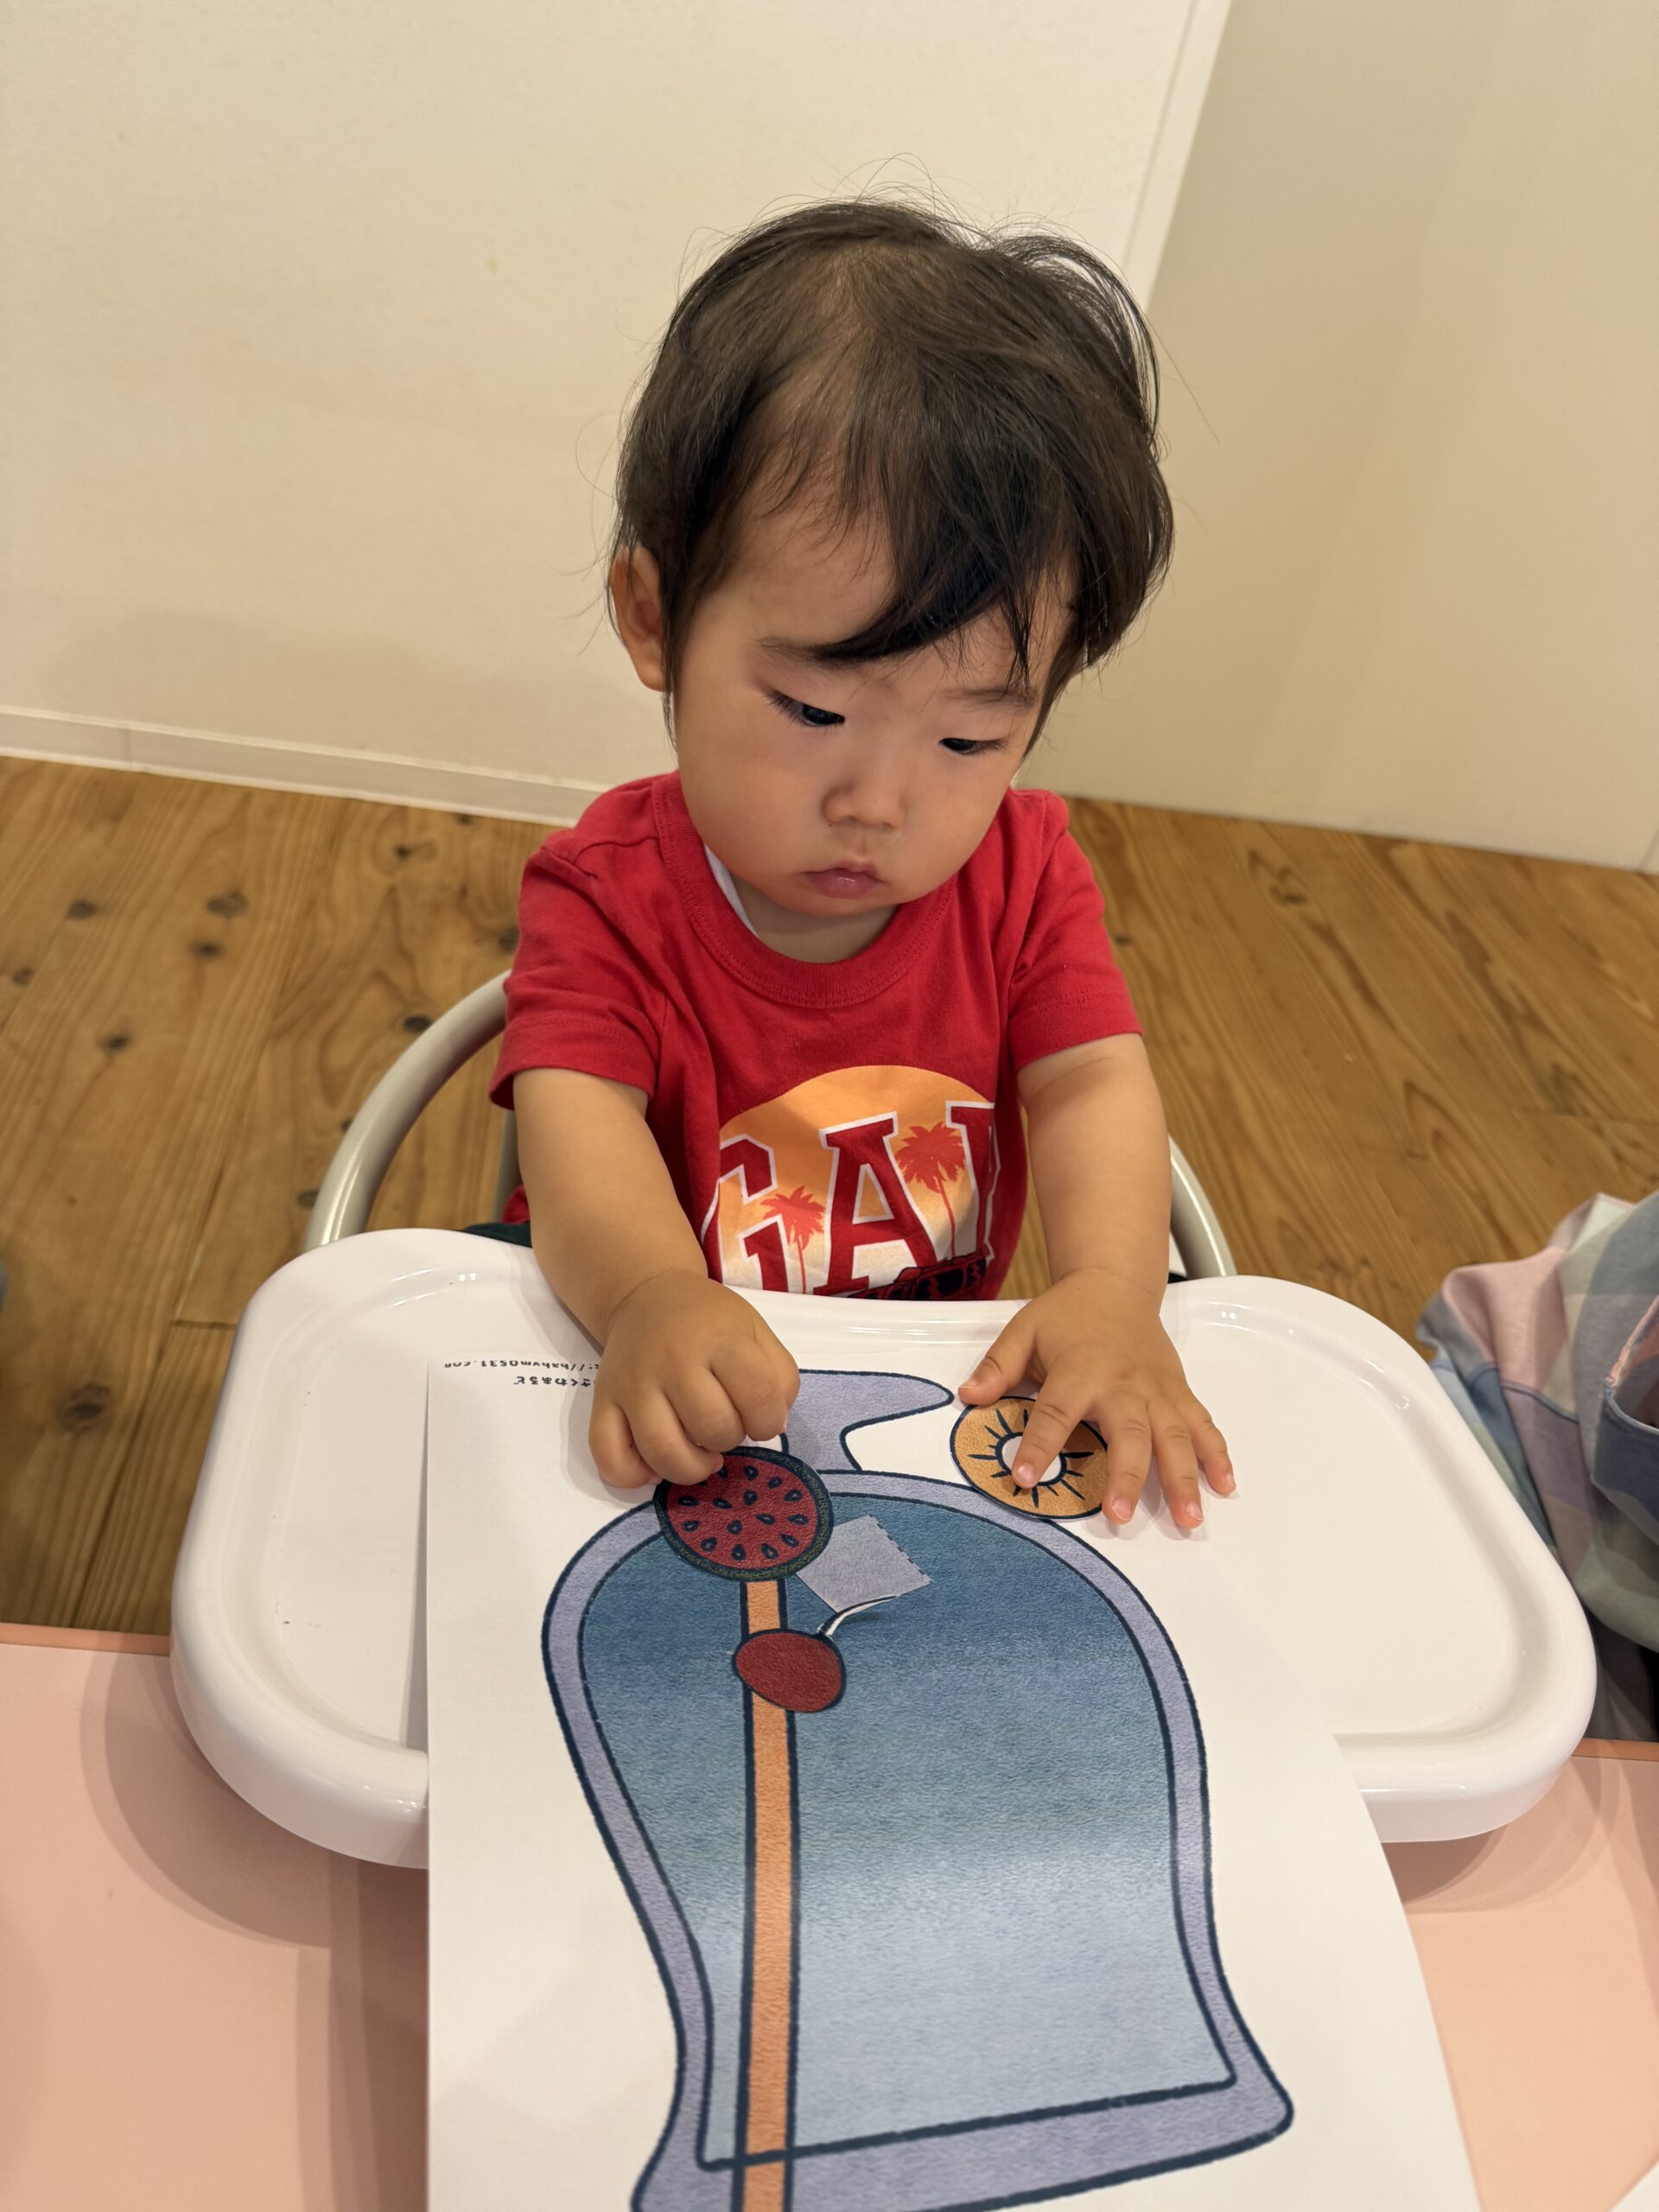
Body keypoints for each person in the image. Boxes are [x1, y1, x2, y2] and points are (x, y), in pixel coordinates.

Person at [485, 194, 1236, 1529]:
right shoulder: (608, 894)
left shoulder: (1024, 877)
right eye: (814, 712)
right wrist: (650, 1293)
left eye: (970, 737)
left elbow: (1089, 1085)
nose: (877, 803)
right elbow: (577, 1118)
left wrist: (1114, 1290)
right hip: (656, 1385)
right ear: (654, 617)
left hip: (920, 1410)